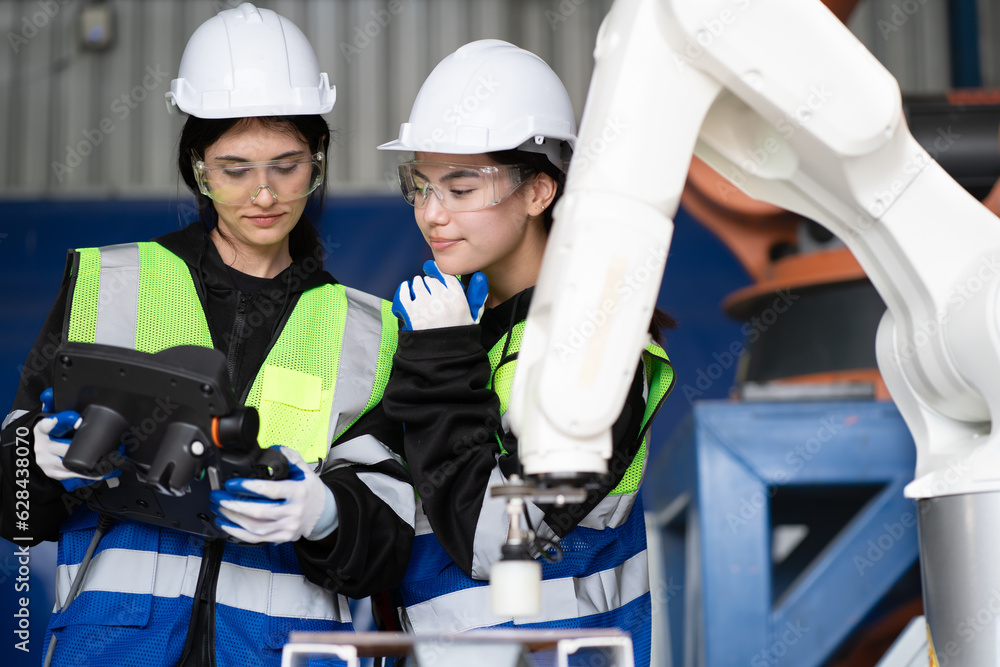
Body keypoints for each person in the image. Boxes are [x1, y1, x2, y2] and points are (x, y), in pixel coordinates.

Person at [0, 4, 413, 666]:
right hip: (113, 649)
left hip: (280, 653)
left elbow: (386, 553)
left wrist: (327, 514)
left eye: (287, 165)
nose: (263, 194)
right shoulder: (110, 283)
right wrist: (33, 459)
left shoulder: (364, 330)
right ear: (197, 166)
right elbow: (16, 511)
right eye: (234, 168)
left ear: (318, 160)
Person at [377, 39, 675, 667]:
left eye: (461, 189)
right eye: (420, 186)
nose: (431, 214)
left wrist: (444, 363)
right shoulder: (459, 327)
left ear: (539, 192)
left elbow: (493, 542)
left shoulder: (595, 347)